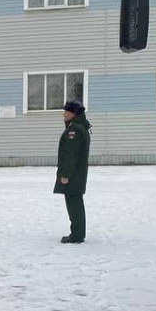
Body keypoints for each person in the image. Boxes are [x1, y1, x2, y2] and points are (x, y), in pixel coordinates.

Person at [55, 100, 92, 244]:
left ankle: (77, 235)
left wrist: (65, 175)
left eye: (66, 112)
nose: (63, 115)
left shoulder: (74, 130)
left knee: (74, 203)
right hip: (77, 173)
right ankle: (77, 233)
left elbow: (70, 155)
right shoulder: (79, 127)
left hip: (74, 174)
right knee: (75, 202)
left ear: (73, 113)